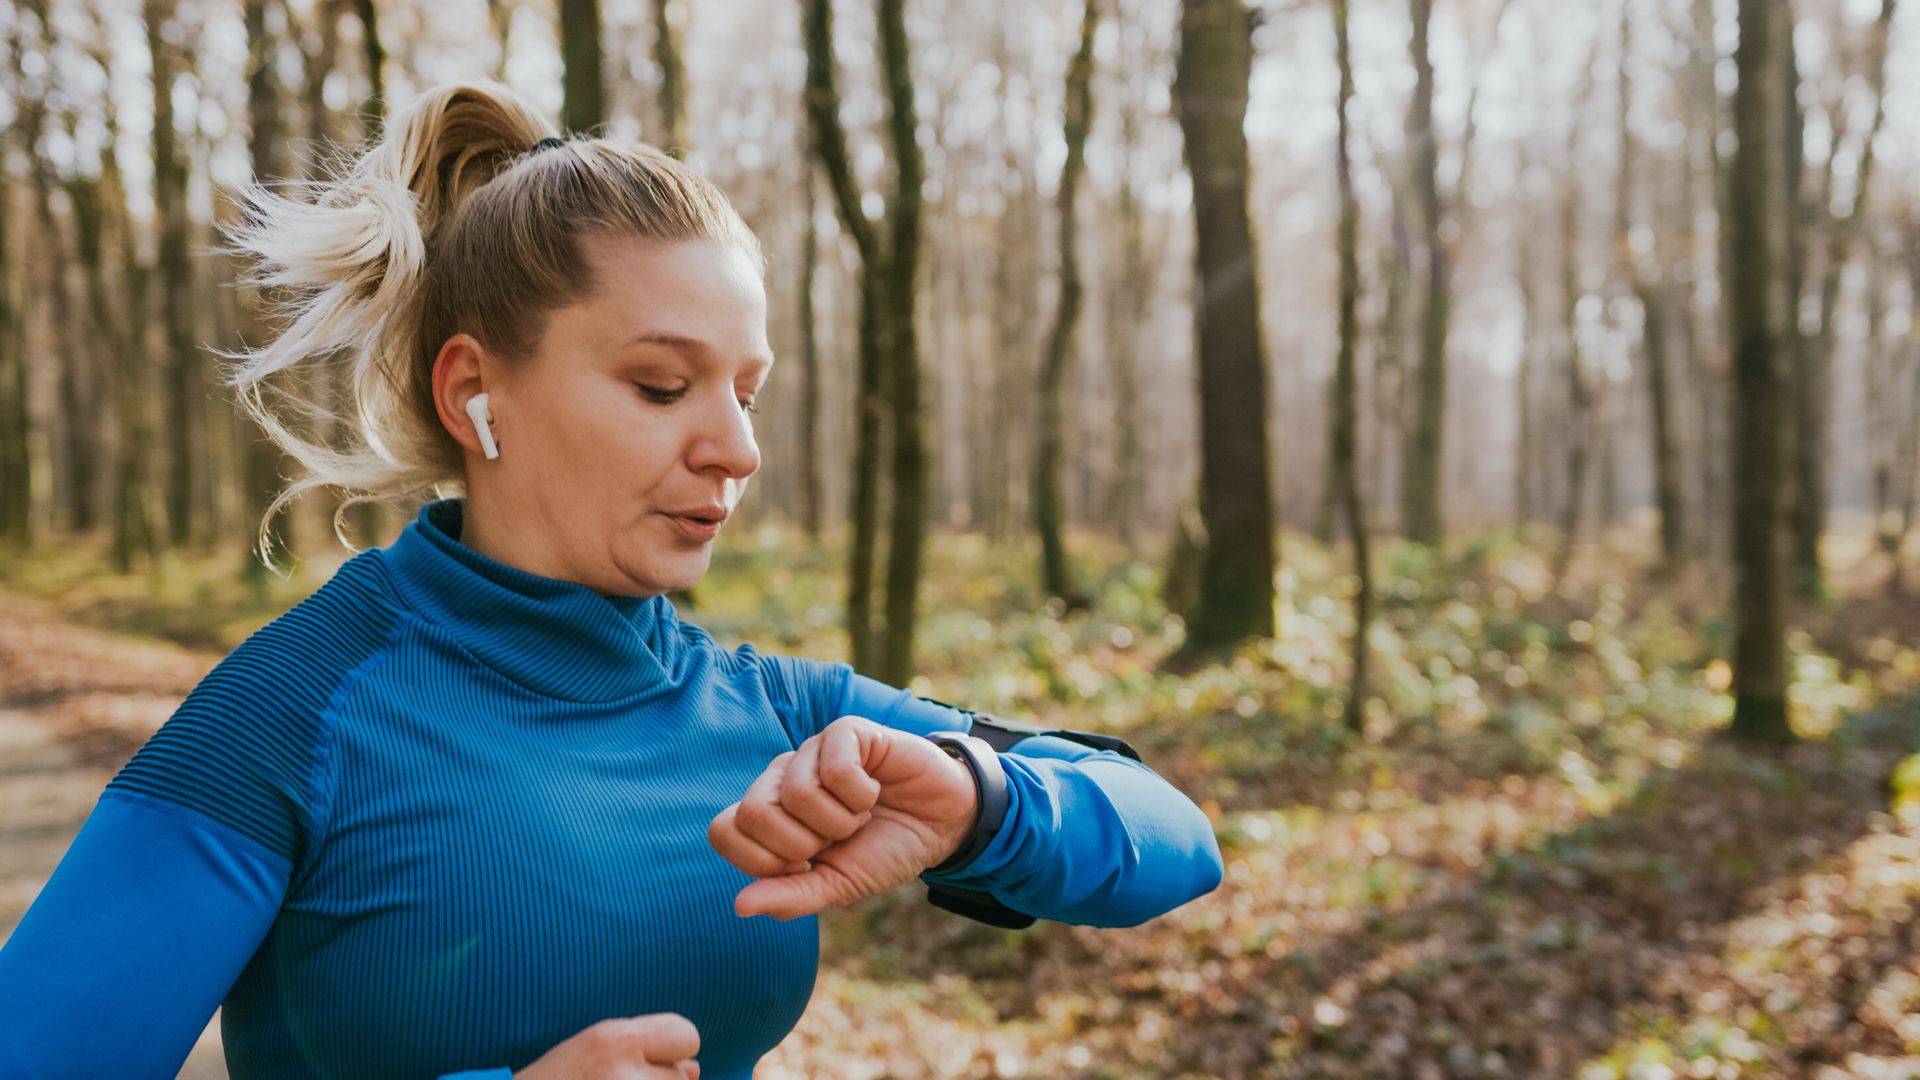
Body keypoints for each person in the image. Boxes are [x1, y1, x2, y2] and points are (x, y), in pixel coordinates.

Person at [0, 82, 1224, 1080]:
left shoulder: (773, 713)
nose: (737, 450)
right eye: (661, 386)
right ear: (475, 390)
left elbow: (1174, 839)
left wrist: (981, 797)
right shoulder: (294, 712)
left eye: (747, 394)